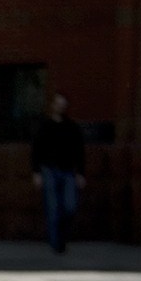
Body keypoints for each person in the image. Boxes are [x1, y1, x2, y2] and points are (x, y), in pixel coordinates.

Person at [29, 92, 88, 255]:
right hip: (49, 170)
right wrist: (36, 173)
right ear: (53, 105)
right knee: (53, 208)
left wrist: (81, 173)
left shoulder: (71, 127)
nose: (61, 107)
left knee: (70, 206)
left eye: (64, 104)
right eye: (58, 104)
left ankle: (61, 237)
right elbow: (36, 150)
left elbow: (79, 151)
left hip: (68, 171)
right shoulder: (44, 126)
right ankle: (57, 243)